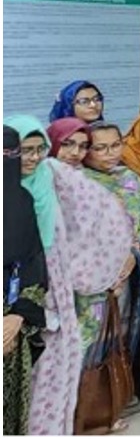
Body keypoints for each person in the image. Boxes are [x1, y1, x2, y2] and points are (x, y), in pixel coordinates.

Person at [7, 115, 134, 433]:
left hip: (51, 283)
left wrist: (102, 265)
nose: (32, 158)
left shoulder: (52, 175)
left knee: (50, 360)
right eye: (23, 150)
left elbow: (101, 213)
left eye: (39, 149)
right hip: (15, 290)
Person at [80, 122, 140, 362]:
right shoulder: (77, 182)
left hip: (128, 273)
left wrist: (134, 255)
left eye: (116, 145)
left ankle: (114, 383)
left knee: (119, 329)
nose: (110, 153)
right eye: (100, 148)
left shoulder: (131, 180)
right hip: (89, 280)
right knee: (87, 337)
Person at [3, 126, 48, 436]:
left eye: (12, 154)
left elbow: (34, 262)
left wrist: (18, 315)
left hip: (9, 321)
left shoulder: (22, 201)